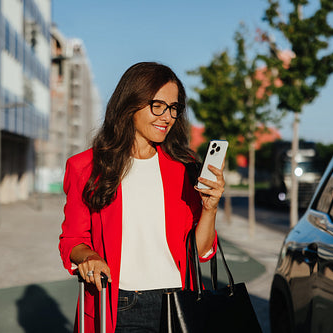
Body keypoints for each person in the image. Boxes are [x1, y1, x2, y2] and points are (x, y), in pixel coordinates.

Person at [59, 62, 225, 333]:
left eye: (173, 108)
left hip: (180, 302)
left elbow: (201, 252)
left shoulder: (185, 167)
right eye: (157, 105)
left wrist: (210, 208)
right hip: (120, 304)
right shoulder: (87, 167)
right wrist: (88, 255)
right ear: (129, 104)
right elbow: (72, 240)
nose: (167, 117)